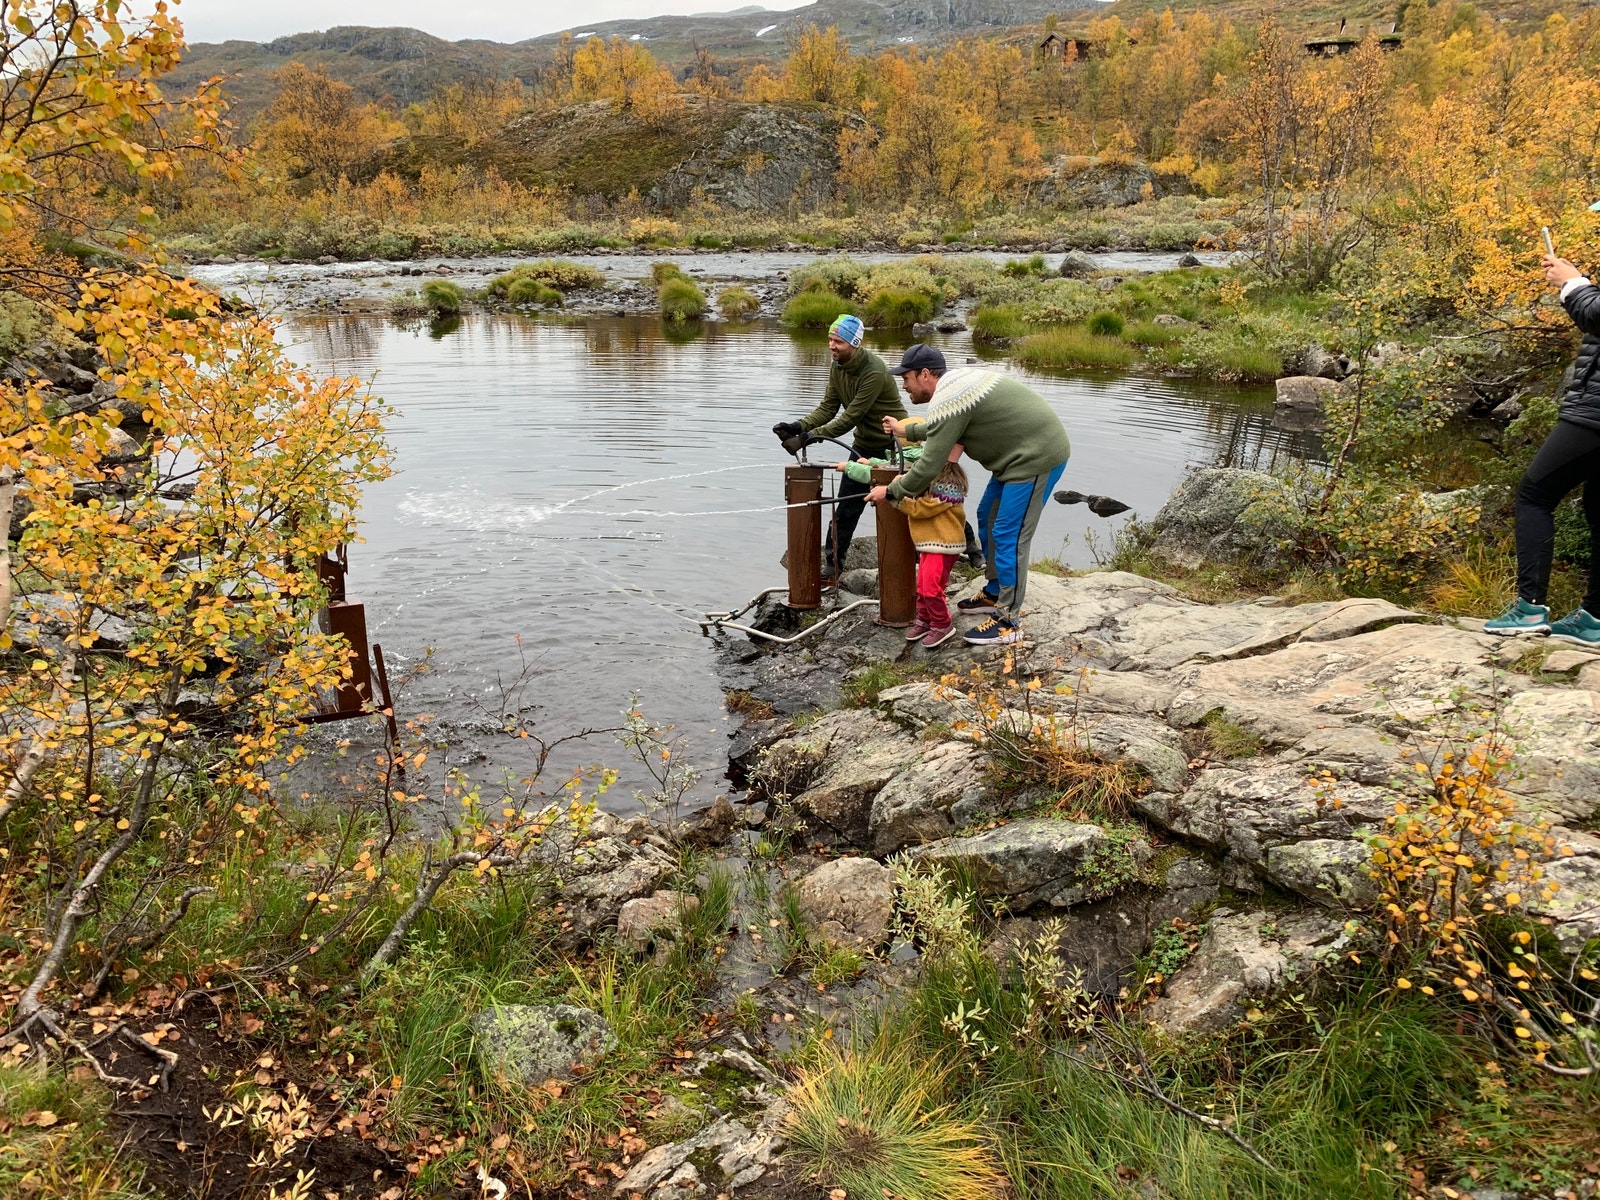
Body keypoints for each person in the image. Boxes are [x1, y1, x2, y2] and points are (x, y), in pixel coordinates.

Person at [868, 344, 1071, 646]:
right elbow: (943, 428)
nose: (903, 384)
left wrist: (892, 490)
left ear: (925, 375)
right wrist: (905, 431)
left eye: (906, 378)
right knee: (986, 516)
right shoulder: (953, 388)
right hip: (1015, 460)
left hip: (1036, 458)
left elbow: (928, 466)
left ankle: (1008, 621)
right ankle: (994, 591)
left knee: (1009, 535)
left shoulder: (949, 397)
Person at [1484, 250, 1600, 646]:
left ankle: (1530, 609)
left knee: (1535, 495)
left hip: (1595, 415)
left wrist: (1572, 282)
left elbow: (1597, 315)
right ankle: (1594, 620)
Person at [771, 314, 906, 581]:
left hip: (896, 447)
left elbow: (849, 418)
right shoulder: (837, 366)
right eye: (830, 340)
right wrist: (799, 426)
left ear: (854, 343)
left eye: (838, 341)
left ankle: (967, 549)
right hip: (864, 445)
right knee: (846, 509)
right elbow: (828, 408)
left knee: (911, 504)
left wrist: (810, 437)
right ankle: (833, 568)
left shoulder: (874, 371)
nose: (832, 346)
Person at [833, 444, 969, 647]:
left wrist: (895, 497)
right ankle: (924, 620)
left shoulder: (948, 484)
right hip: (930, 545)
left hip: (943, 546)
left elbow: (922, 510)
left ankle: (942, 624)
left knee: (931, 588)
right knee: (922, 587)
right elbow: (909, 474)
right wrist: (882, 471)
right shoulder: (932, 477)